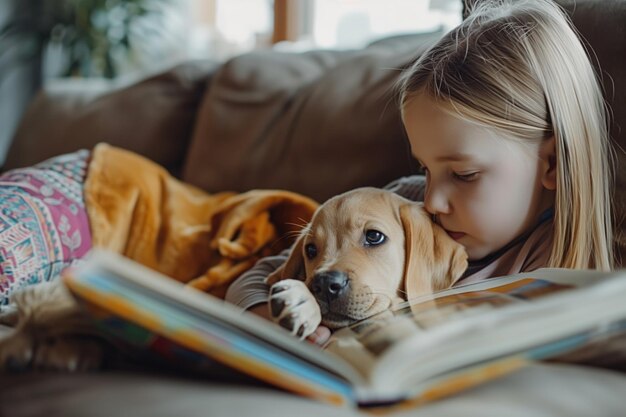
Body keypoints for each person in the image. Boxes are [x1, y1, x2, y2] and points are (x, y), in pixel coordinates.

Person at [224, 0, 614, 345]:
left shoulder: (572, 267)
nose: (433, 200)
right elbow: (260, 278)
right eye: (426, 169)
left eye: (463, 174)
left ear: (552, 164)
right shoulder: (405, 202)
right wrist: (276, 324)